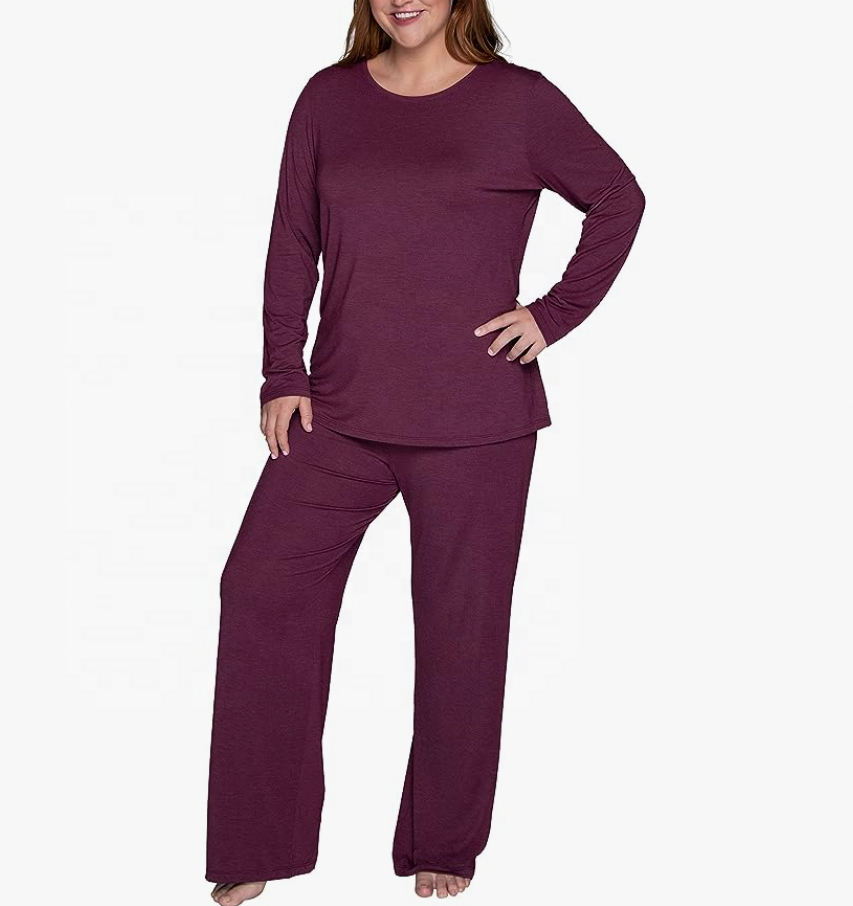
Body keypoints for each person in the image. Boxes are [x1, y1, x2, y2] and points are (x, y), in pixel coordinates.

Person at [206, 0, 646, 902]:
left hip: (477, 420)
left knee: (460, 633)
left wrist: (552, 315)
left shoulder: (519, 101)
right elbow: (293, 238)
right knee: (259, 590)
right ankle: (257, 841)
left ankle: (444, 840)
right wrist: (282, 369)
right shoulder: (327, 99)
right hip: (337, 413)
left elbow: (618, 198)